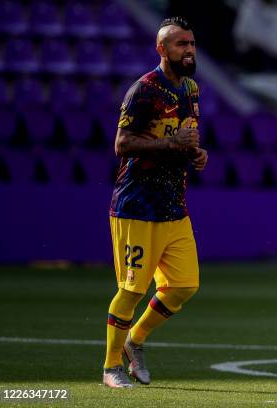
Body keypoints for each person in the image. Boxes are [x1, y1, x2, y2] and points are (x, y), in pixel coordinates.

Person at [103, 16, 208, 388]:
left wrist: (194, 154)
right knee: (131, 289)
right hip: (137, 205)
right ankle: (111, 368)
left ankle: (136, 341)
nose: (189, 50)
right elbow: (122, 145)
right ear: (162, 50)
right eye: (181, 44)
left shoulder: (191, 89)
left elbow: (184, 138)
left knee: (184, 286)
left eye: (192, 43)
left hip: (173, 204)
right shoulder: (144, 91)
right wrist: (170, 145)